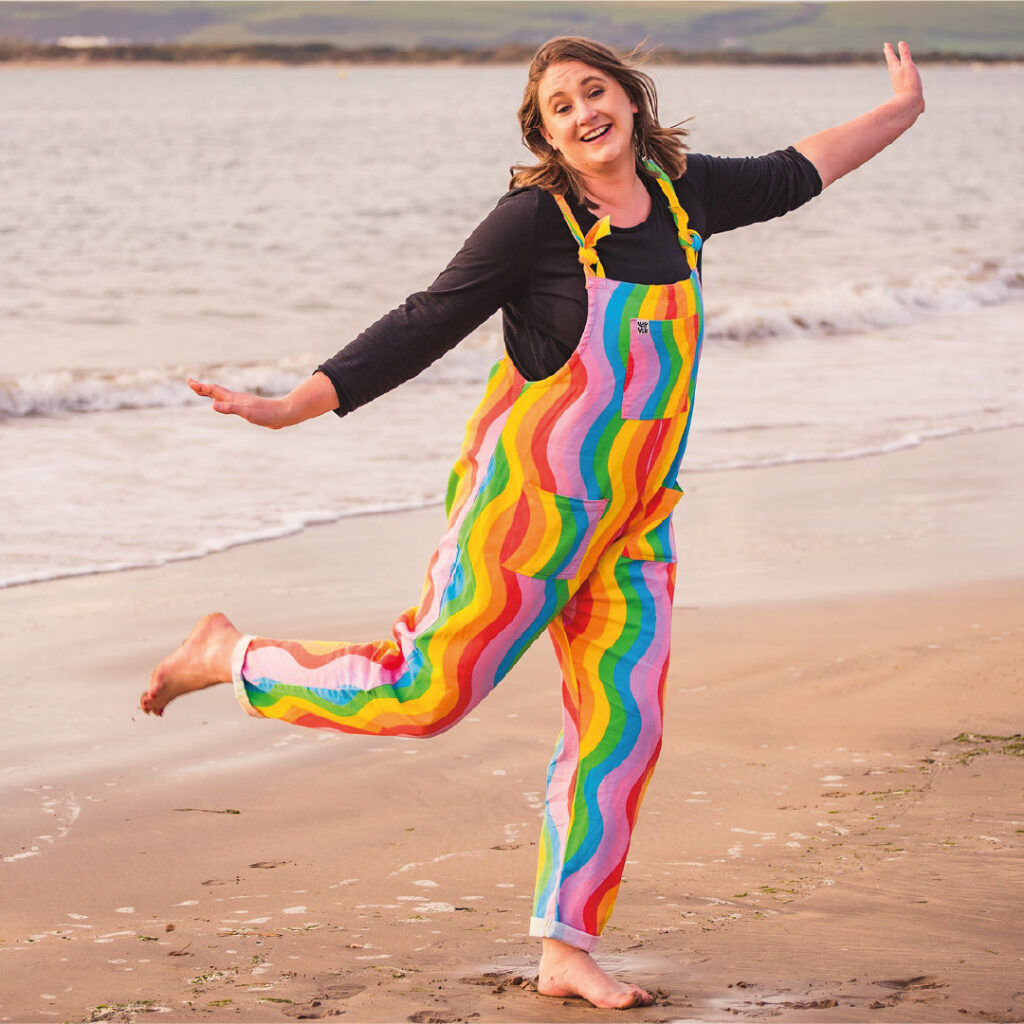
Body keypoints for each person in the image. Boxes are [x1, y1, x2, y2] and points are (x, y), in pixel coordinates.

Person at [140, 36, 924, 1009]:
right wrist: (293, 403)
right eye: (559, 106)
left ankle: (565, 946)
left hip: (635, 526)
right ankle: (232, 657)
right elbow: (426, 317)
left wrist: (901, 111)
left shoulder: (685, 195)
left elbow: (800, 170)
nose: (582, 111)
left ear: (631, 101)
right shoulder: (535, 221)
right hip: (522, 519)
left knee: (622, 729)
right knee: (421, 697)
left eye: (594, 90)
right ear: (545, 134)